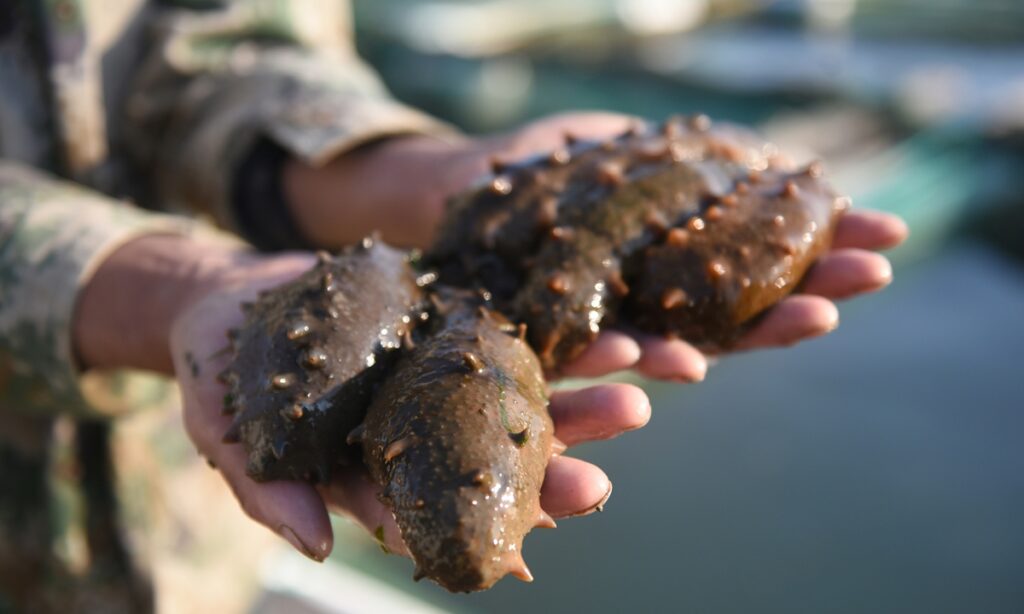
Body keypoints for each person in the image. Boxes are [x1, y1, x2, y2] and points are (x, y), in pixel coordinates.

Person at [0, 0, 907, 611]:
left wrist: (408, 176)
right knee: (296, 437)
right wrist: (157, 289)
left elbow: (216, 36)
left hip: (193, 560)